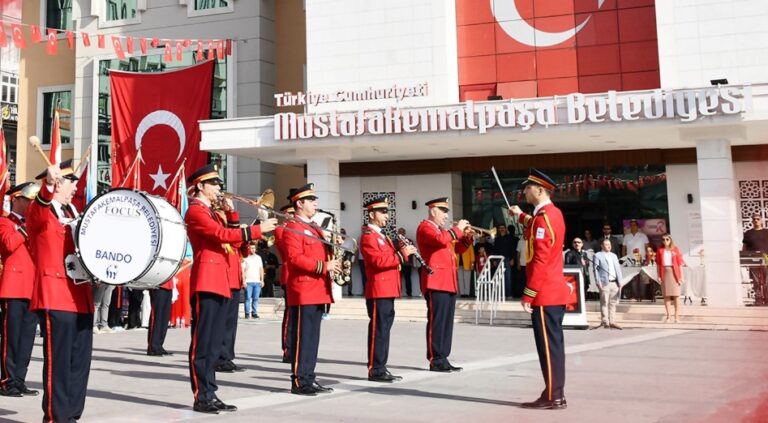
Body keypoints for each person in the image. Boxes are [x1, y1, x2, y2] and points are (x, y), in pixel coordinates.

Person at [185, 164, 276, 414]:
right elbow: (220, 235)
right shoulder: (195, 211)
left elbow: (234, 240)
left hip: (224, 280)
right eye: (213, 183)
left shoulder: (215, 212)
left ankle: (210, 392)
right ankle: (201, 395)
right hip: (207, 280)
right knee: (203, 343)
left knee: (215, 344)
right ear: (200, 186)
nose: (218, 188)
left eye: (218, 183)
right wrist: (257, 229)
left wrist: (232, 214)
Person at [27, 162, 94, 422]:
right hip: (56, 295)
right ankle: (56, 417)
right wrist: (47, 185)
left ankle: (72, 414)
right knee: (60, 363)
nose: (76, 186)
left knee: (79, 364)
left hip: (81, 296)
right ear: (56, 184)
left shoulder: (74, 213)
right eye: (71, 181)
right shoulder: (41, 211)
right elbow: (39, 210)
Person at [509, 168, 569, 410]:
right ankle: (554, 391)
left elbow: (542, 258)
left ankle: (554, 395)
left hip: (545, 293)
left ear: (540, 190)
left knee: (548, 347)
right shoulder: (551, 214)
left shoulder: (544, 219)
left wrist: (529, 293)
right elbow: (536, 225)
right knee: (552, 346)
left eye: (528, 188)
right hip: (553, 291)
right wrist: (521, 215)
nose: (525, 191)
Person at [284, 183, 340, 395]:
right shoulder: (293, 227)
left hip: (317, 288)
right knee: (303, 337)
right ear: (299, 203)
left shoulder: (314, 227)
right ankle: (299, 380)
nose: (316, 203)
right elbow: (295, 258)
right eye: (312, 200)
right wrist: (324, 266)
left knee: (312, 338)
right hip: (304, 290)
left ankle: (309, 376)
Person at [360, 197, 415, 382]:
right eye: (382, 212)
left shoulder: (383, 236)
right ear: (372, 214)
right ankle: (375, 369)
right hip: (378, 290)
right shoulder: (368, 236)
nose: (386, 215)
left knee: (384, 329)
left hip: (388, 289)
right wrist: (401, 254)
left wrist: (401, 247)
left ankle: (381, 366)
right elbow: (377, 262)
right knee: (379, 330)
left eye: (387, 211)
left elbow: (391, 258)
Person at [416, 197, 471, 372]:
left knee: (447, 323)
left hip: (448, 281)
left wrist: (467, 238)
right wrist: (458, 229)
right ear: (433, 211)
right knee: (436, 322)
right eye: (443, 211)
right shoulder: (425, 227)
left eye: (447, 212)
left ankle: (443, 357)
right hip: (435, 281)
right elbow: (440, 240)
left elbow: (457, 249)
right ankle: (435, 359)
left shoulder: (444, 231)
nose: (446, 216)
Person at [0, 182, 40, 397]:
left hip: (32, 288)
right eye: (28, 200)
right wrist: (26, 228)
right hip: (13, 287)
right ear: (16, 199)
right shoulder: (5, 222)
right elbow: (7, 244)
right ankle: (7, 380)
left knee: (26, 339)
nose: (32, 204)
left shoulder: (35, 223)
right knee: (11, 337)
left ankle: (20, 380)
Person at [274, 203, 295, 363]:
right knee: (289, 315)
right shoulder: (281, 229)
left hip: (300, 276)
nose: (293, 216)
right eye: (290, 213)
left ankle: (296, 347)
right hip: (289, 275)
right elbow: (286, 249)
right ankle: (287, 348)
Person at [593, 239, 623, 330]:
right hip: (604, 282)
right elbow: (595, 270)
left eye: (609, 244)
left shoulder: (614, 256)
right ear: (602, 246)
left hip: (614, 282)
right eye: (606, 244)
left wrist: (620, 281)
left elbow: (618, 269)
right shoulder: (597, 255)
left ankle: (612, 321)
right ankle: (605, 321)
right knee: (604, 302)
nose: (609, 246)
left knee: (613, 303)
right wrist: (598, 282)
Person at [657, 234, 685, 323]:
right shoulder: (660, 250)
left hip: (674, 273)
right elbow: (658, 265)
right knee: (666, 296)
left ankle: (677, 316)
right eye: (663, 239)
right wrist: (658, 276)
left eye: (667, 239)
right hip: (664, 272)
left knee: (676, 296)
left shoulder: (675, 249)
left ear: (670, 240)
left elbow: (679, 264)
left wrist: (681, 277)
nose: (665, 241)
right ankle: (669, 316)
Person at [146, 275, 174, 356]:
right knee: (157, 316)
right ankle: (153, 346)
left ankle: (159, 345)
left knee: (164, 317)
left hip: (168, 282)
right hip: (157, 282)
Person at [493, 224, 517, 297]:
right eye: (500, 228)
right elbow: (495, 250)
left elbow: (513, 249)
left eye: (503, 228)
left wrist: (512, 258)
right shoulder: (497, 239)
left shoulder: (510, 238)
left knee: (508, 278)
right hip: (498, 260)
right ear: (499, 230)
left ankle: (508, 294)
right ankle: (500, 294)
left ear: (506, 229)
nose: (502, 229)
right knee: (499, 277)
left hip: (507, 259)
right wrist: (494, 260)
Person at [242, 242, 264, 318]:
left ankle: (254, 313)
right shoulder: (245, 258)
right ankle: (247, 313)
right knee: (247, 298)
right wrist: (243, 281)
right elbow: (243, 270)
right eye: (251, 248)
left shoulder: (259, 258)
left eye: (254, 248)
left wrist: (262, 280)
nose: (253, 250)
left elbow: (261, 269)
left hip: (257, 281)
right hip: (248, 281)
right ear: (248, 249)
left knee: (256, 298)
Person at [396, 227, 416, 297]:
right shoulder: (395, 241)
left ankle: (409, 293)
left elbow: (413, 252)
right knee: (398, 279)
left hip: (407, 263)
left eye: (402, 232)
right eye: (400, 232)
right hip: (399, 263)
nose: (401, 233)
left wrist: (412, 263)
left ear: (404, 233)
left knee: (408, 279)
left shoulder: (409, 241)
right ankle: (398, 293)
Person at [456, 227, 475, 297]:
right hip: (458, 264)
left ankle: (467, 293)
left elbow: (472, 253)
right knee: (460, 279)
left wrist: (472, 262)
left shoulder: (468, 242)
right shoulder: (457, 242)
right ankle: (462, 293)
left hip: (467, 263)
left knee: (467, 279)